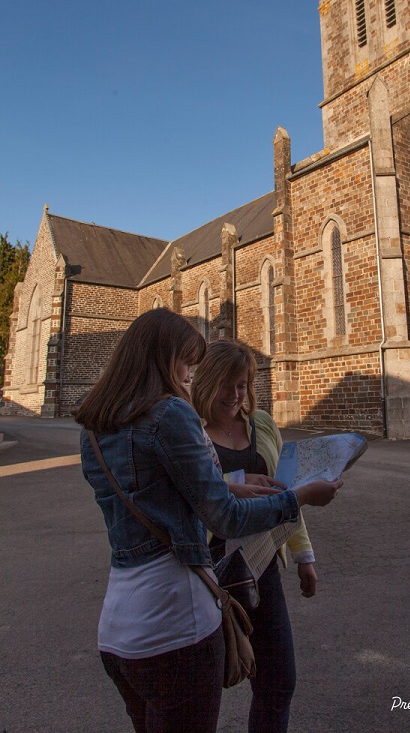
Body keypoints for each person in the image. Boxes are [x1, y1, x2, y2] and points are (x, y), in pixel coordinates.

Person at [76, 309, 341, 733]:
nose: (187, 376)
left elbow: (156, 493)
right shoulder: (171, 412)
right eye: (185, 363)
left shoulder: (93, 427)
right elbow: (225, 518)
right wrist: (300, 498)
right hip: (177, 619)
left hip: (119, 629)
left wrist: (233, 484)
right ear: (164, 358)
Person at [190, 339, 317, 733]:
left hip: (261, 570)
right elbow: (191, 497)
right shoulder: (189, 432)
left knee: (278, 682)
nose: (235, 395)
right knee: (200, 693)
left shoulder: (261, 424)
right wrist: (237, 484)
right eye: (225, 385)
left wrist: (304, 556)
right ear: (205, 383)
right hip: (207, 575)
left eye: (242, 385)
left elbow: (285, 492)